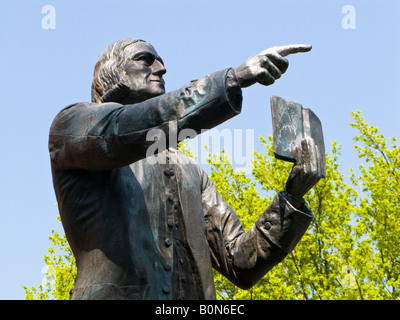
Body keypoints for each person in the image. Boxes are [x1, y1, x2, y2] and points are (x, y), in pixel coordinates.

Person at [48, 38, 322, 300]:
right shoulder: (73, 125)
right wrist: (231, 80)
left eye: (160, 61)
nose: (161, 68)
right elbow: (135, 124)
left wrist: (291, 198)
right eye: (146, 60)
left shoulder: (190, 172)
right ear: (114, 71)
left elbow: (240, 261)